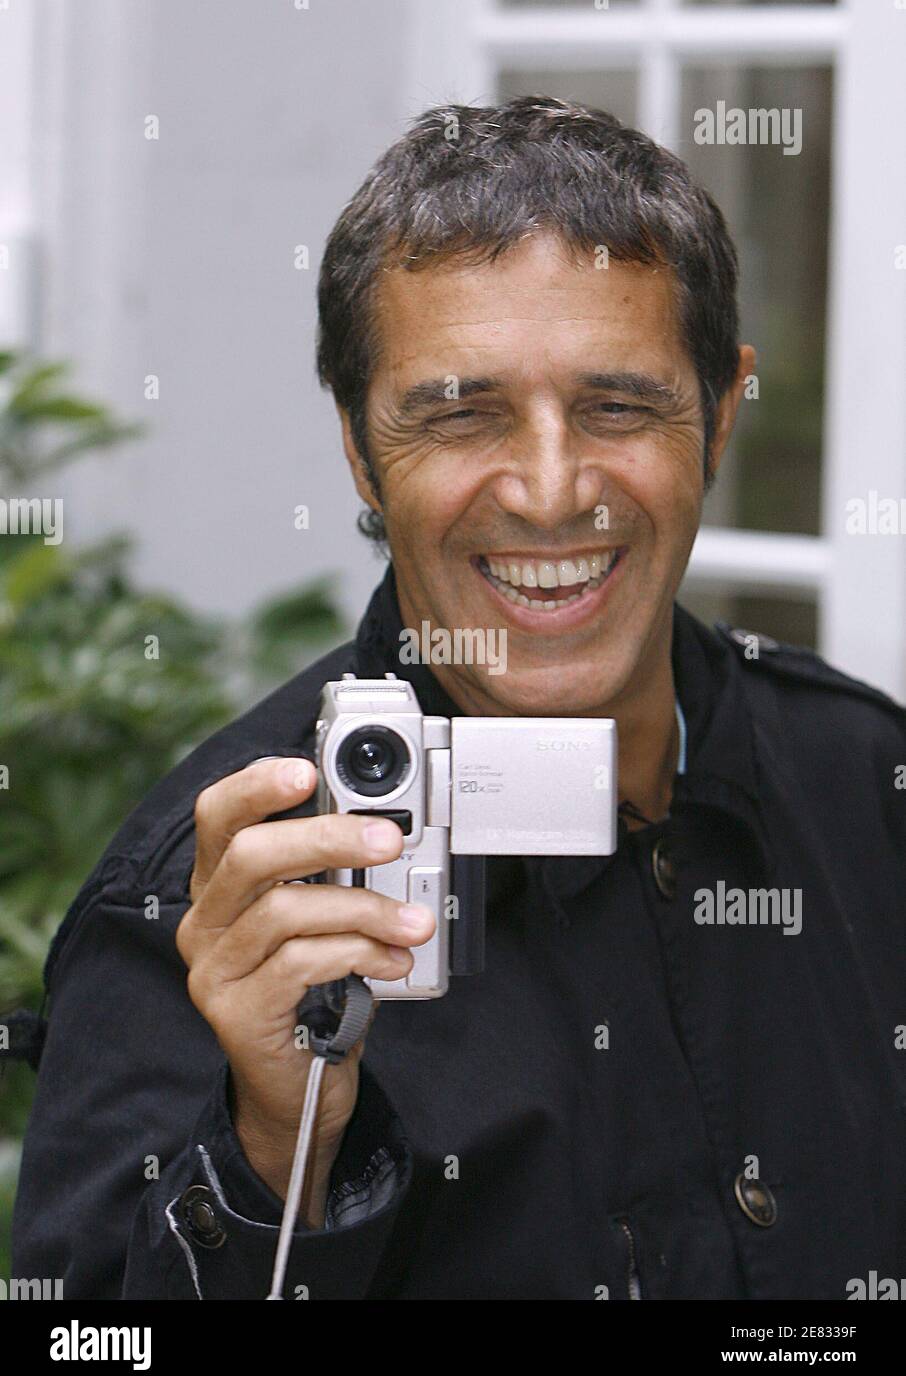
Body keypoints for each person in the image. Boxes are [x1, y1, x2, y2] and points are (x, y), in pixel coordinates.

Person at [11, 97, 906, 1300]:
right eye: (460, 412)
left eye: (619, 405)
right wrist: (277, 1152)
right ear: (358, 445)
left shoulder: (864, 780)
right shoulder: (210, 902)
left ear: (725, 412)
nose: (549, 491)